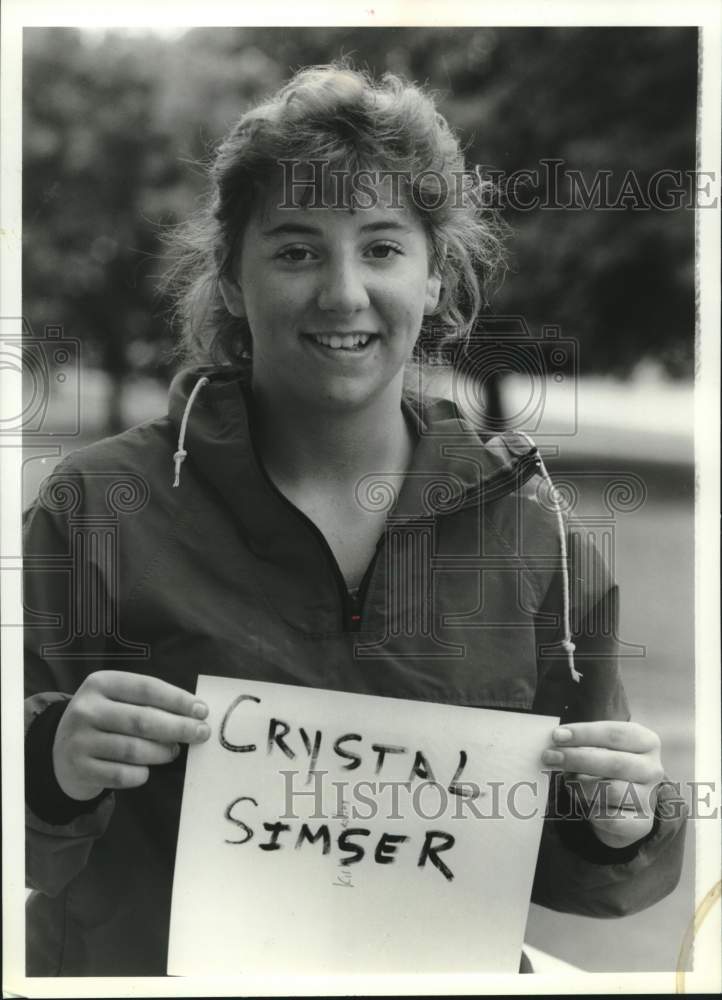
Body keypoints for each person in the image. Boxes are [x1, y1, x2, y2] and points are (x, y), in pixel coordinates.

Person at [24, 63, 686, 977]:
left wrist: (624, 822)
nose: (343, 293)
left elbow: (574, 862)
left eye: (381, 247)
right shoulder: (96, 504)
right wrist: (50, 762)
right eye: (296, 249)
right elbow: (28, 833)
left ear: (435, 276)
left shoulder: (536, 529)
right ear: (229, 276)